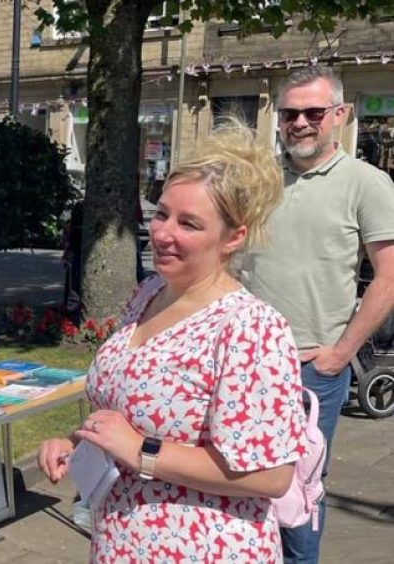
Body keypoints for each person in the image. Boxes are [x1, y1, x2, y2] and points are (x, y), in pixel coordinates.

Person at [38, 123, 309, 562]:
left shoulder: (249, 327)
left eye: (189, 223)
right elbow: (126, 410)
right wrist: (78, 443)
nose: (163, 233)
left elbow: (272, 474)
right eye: (162, 213)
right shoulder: (149, 293)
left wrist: (141, 451)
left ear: (233, 237)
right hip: (121, 538)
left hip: (203, 548)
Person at [241, 67, 394, 563]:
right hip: (243, 362)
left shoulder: (366, 183)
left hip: (311, 368)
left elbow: (389, 277)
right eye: (289, 113)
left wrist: (342, 353)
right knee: (239, 474)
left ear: (340, 115)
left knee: (299, 487)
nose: (300, 123)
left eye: (313, 112)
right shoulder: (260, 178)